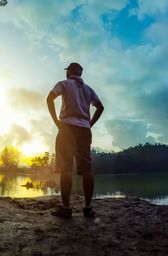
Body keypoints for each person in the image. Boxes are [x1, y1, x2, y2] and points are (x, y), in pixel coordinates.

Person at [46, 62, 104, 219]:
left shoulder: (64, 84)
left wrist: (57, 123)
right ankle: (88, 208)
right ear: (80, 74)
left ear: (69, 72)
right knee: (87, 169)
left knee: (66, 168)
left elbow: (49, 98)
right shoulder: (88, 89)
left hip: (67, 128)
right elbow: (100, 107)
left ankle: (66, 209)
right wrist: (89, 124)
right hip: (84, 130)